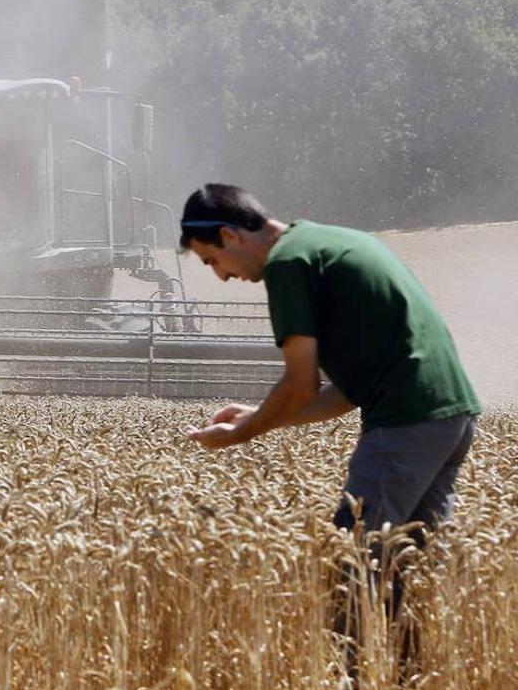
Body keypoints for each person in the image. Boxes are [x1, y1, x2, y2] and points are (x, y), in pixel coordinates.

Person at [178, 183, 478, 537]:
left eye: (212, 260)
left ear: (229, 235)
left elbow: (300, 385)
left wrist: (241, 433)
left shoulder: (289, 262)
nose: (222, 276)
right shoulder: (335, 241)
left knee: (354, 557)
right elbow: (348, 392)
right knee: (410, 565)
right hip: (451, 417)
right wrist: (260, 416)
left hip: (404, 423)